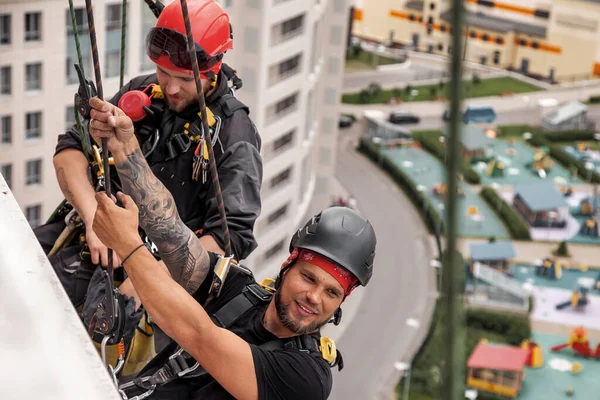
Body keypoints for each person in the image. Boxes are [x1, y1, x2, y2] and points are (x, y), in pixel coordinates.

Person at [88, 94, 377, 399]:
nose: (314, 297)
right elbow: (171, 233)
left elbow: (200, 337)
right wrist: (124, 149)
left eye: (332, 292)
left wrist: (129, 245)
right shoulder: (240, 294)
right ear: (286, 267)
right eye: (308, 277)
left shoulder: (305, 377)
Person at [34, 0, 262, 314]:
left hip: (154, 273)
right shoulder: (142, 92)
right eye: (163, 72)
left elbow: (228, 239)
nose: (170, 87)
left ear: (216, 66)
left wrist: (144, 275)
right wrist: (91, 219)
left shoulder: (234, 137)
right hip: (89, 242)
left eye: (184, 79)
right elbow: (70, 150)